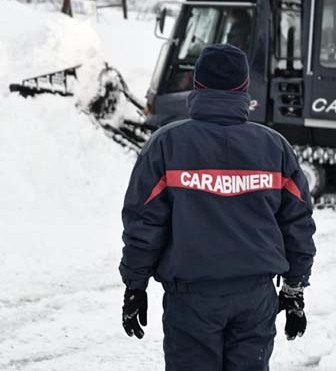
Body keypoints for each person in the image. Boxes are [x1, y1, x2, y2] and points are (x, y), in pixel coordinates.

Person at [119, 44, 317, 371]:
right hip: (254, 298)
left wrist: (134, 285)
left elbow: (144, 223)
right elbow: (297, 222)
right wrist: (295, 287)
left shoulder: (166, 145)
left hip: (192, 300)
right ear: (244, 88)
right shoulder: (274, 147)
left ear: (198, 85)